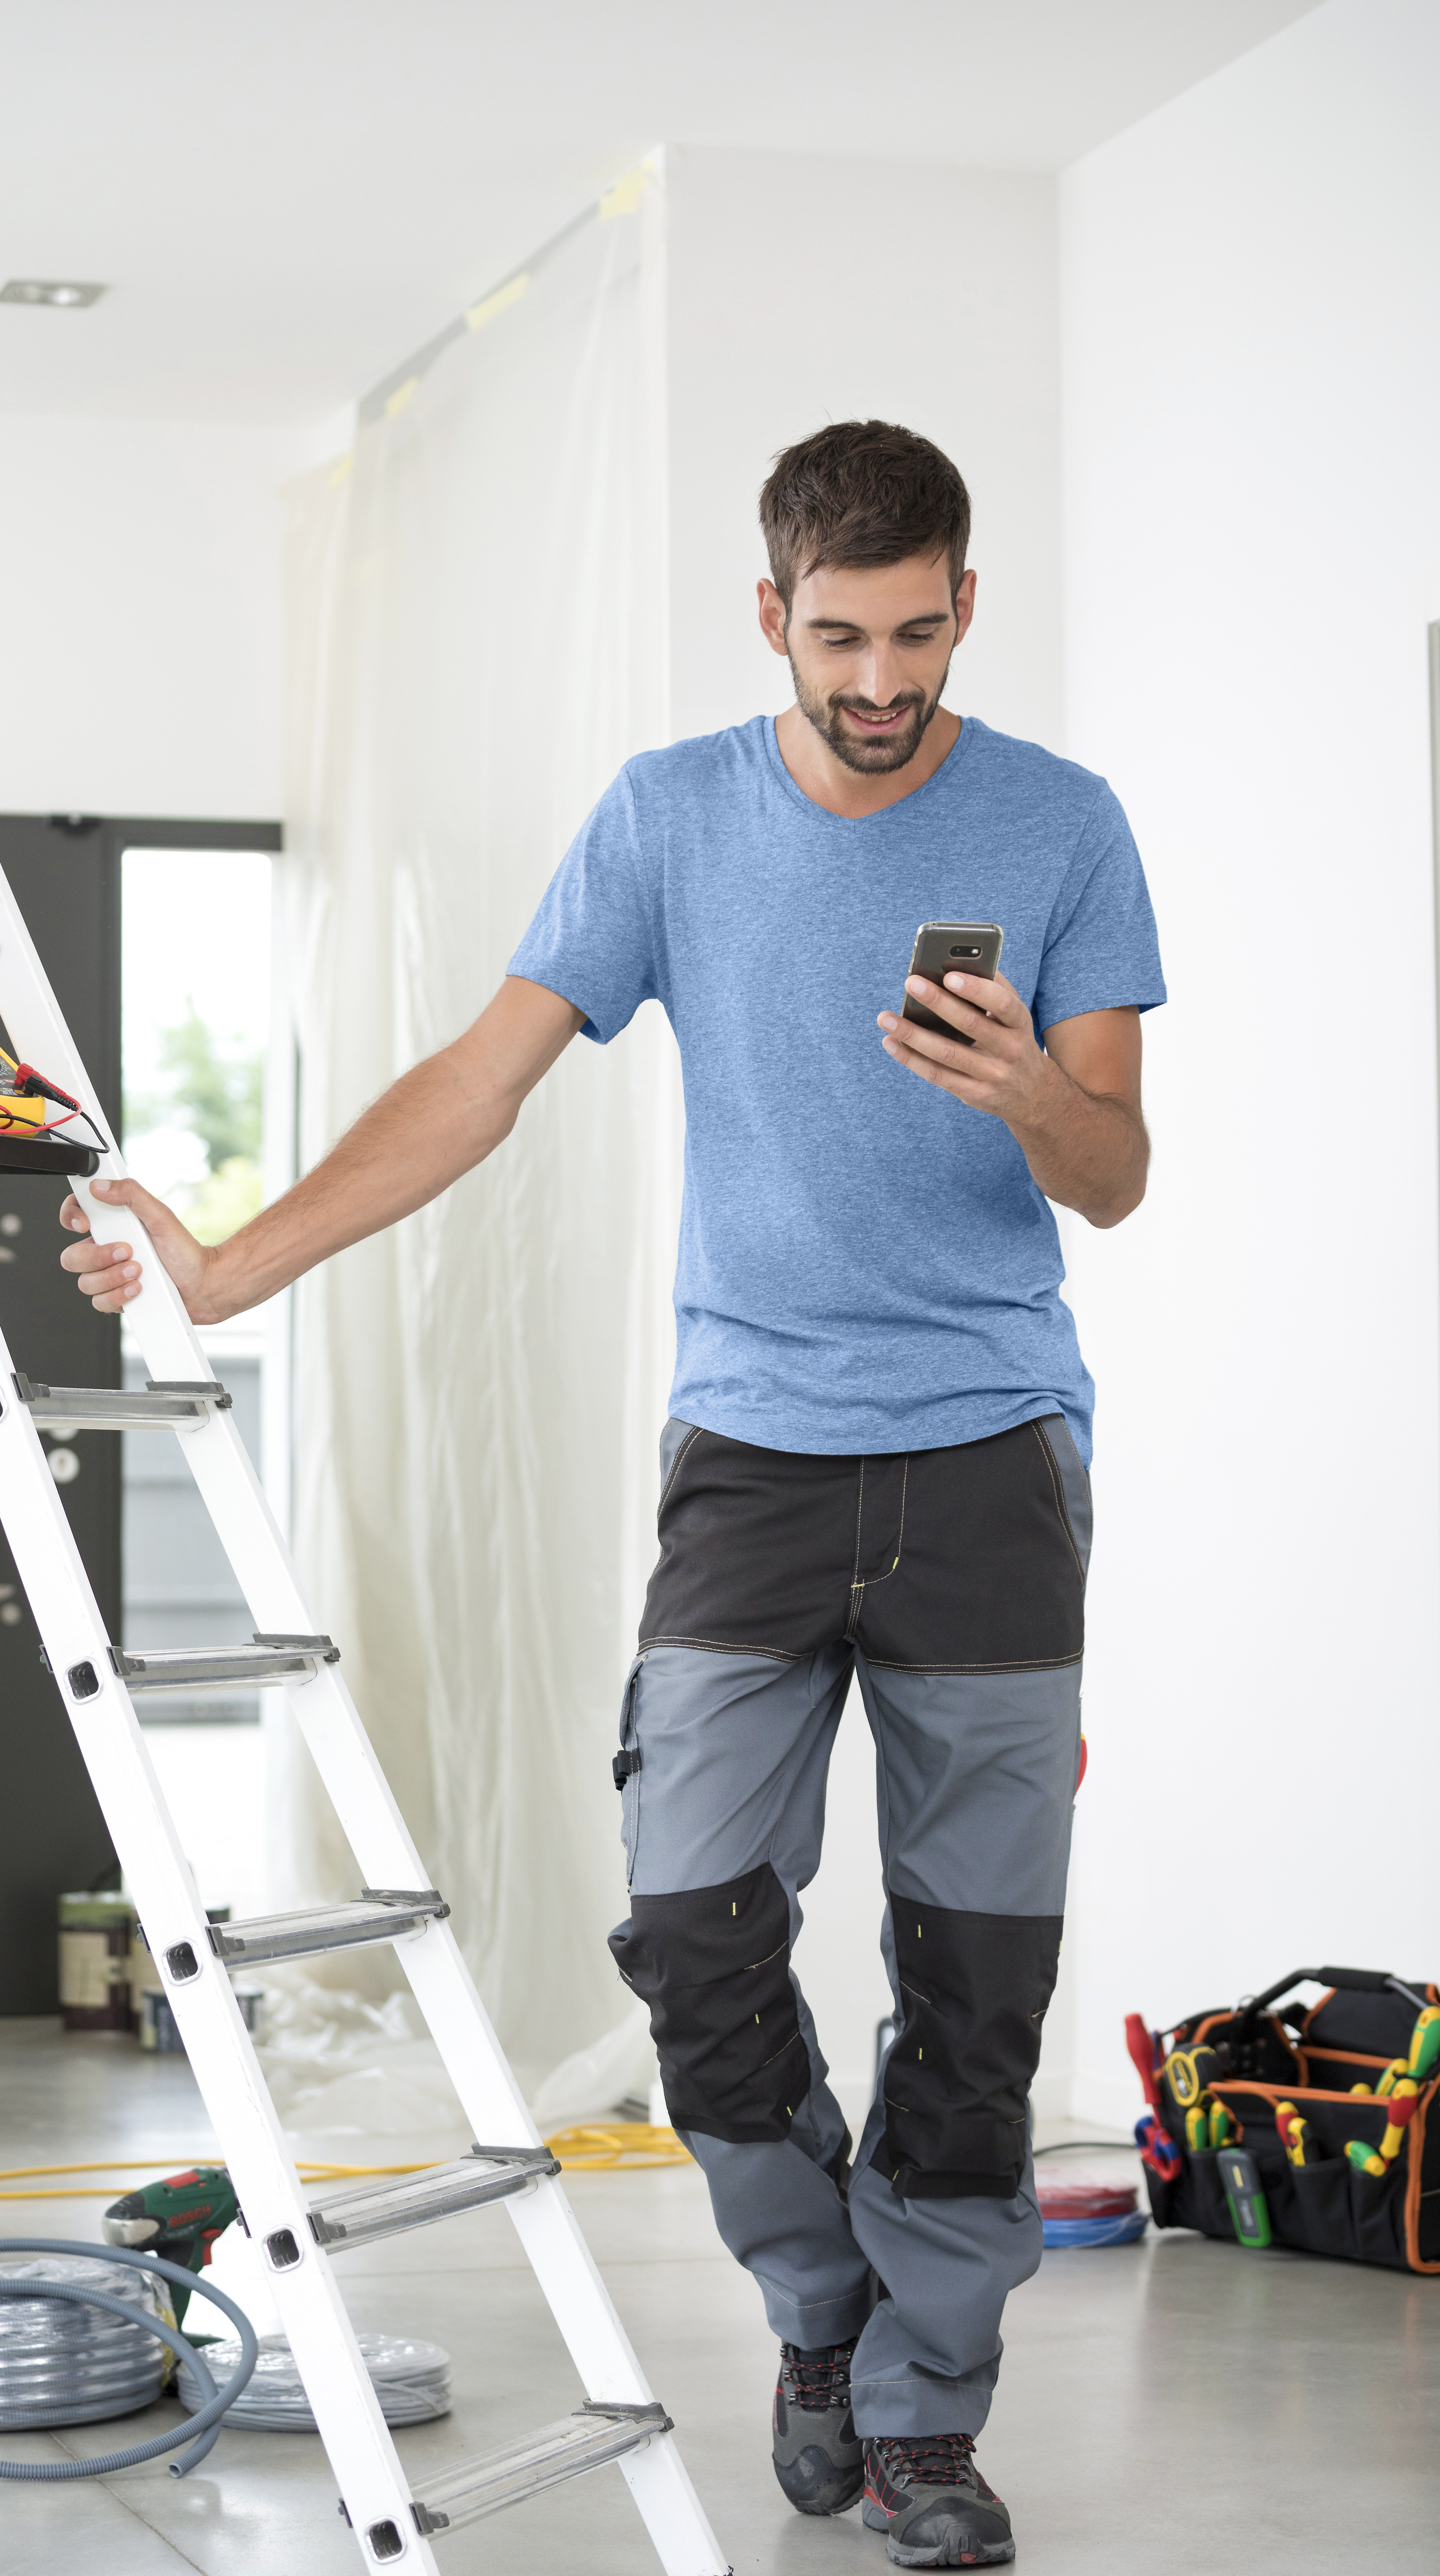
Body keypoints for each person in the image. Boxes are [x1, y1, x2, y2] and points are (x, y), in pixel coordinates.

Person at [59, 419, 1164, 2569]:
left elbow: (1115, 1174)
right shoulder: (669, 817)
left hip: (995, 1452)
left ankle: (927, 2412)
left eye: (918, 634)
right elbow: (476, 1083)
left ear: (965, 607)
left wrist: (1033, 1084)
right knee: (688, 1924)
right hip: (750, 1449)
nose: (880, 680)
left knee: (980, 1964)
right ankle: (821, 2303)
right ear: (770, 614)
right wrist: (222, 1267)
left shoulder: (1064, 823)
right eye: (839, 637)